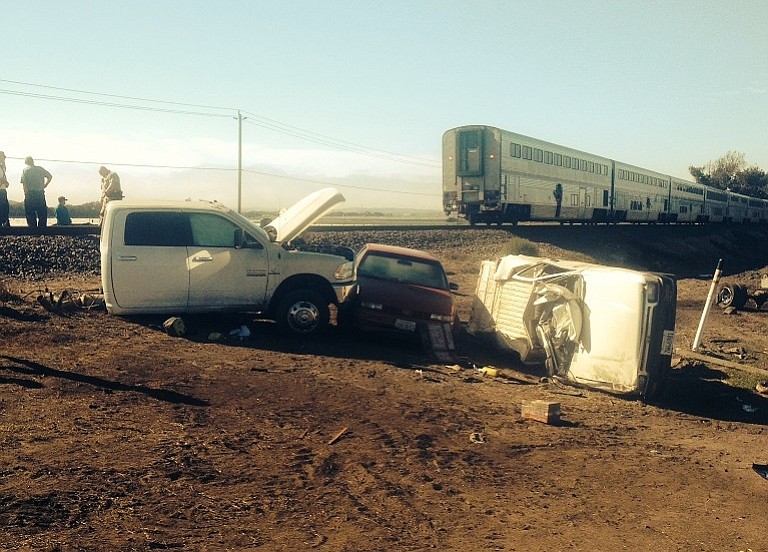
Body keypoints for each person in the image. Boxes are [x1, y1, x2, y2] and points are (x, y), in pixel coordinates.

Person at [20, 156, 53, 229]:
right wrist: (45, 185)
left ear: (26, 163)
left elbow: (24, 185)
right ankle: (42, 229)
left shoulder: (25, 171)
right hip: (40, 193)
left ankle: (33, 229)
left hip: (30, 194)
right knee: (42, 213)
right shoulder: (40, 169)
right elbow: (50, 176)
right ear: (33, 161)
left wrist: (26, 194)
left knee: (30, 213)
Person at [0, 151, 9, 227]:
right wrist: (3, 181)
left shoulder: (2, 167)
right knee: (3, 208)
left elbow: (4, 168)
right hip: (1, 191)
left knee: (5, 209)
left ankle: (5, 225)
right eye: (3, 157)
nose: (4, 158)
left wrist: (5, 182)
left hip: (3, 190)